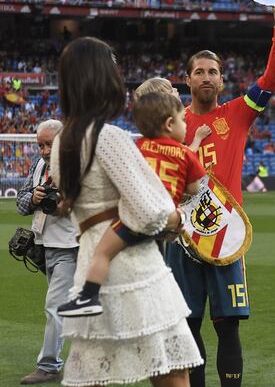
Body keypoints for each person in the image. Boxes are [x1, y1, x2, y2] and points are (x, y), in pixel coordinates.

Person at [49, 36, 203, 387]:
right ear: (102, 77)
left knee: (95, 373)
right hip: (135, 268)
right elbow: (151, 210)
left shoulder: (61, 142)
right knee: (172, 371)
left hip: (90, 264)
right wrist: (175, 220)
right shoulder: (110, 137)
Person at [166, 1, 275, 387]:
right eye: (199, 72)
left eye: (213, 72)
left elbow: (272, 78)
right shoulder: (172, 123)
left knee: (228, 328)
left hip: (226, 236)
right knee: (188, 327)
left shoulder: (238, 112)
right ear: (187, 80)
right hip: (182, 237)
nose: (207, 77)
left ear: (222, 80)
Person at [58, 90, 206, 317]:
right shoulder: (186, 153)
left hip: (133, 219)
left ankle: (88, 294)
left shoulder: (140, 147)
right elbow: (195, 188)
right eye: (183, 120)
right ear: (169, 124)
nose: (186, 126)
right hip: (162, 220)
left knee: (102, 253)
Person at [16, 119, 79, 385]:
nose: (42, 150)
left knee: (54, 307)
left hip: (70, 245)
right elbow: (21, 202)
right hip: (45, 245)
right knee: (67, 307)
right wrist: (33, 198)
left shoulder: (78, 166)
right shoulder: (39, 165)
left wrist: (66, 203)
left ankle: (49, 365)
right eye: (40, 144)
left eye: (48, 144)